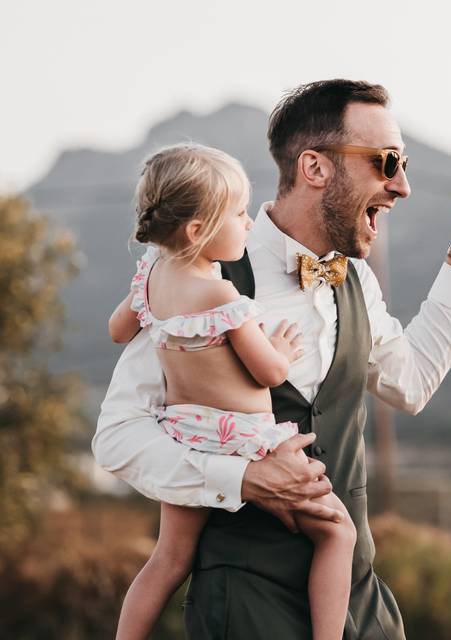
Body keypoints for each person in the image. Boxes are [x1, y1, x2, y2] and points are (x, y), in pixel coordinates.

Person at [94, 80, 451, 639]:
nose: (403, 186)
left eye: (403, 163)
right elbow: (118, 438)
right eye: (387, 162)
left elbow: (409, 384)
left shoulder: (357, 279)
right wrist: (242, 476)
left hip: (357, 605)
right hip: (242, 602)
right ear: (314, 167)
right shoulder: (195, 272)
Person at [106, 143, 357, 640]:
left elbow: (118, 329)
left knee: (169, 557)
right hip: (247, 441)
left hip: (185, 435)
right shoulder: (224, 295)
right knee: (338, 532)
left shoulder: (151, 276)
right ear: (198, 232)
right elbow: (266, 373)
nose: (248, 222)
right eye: (239, 213)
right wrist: (281, 349)